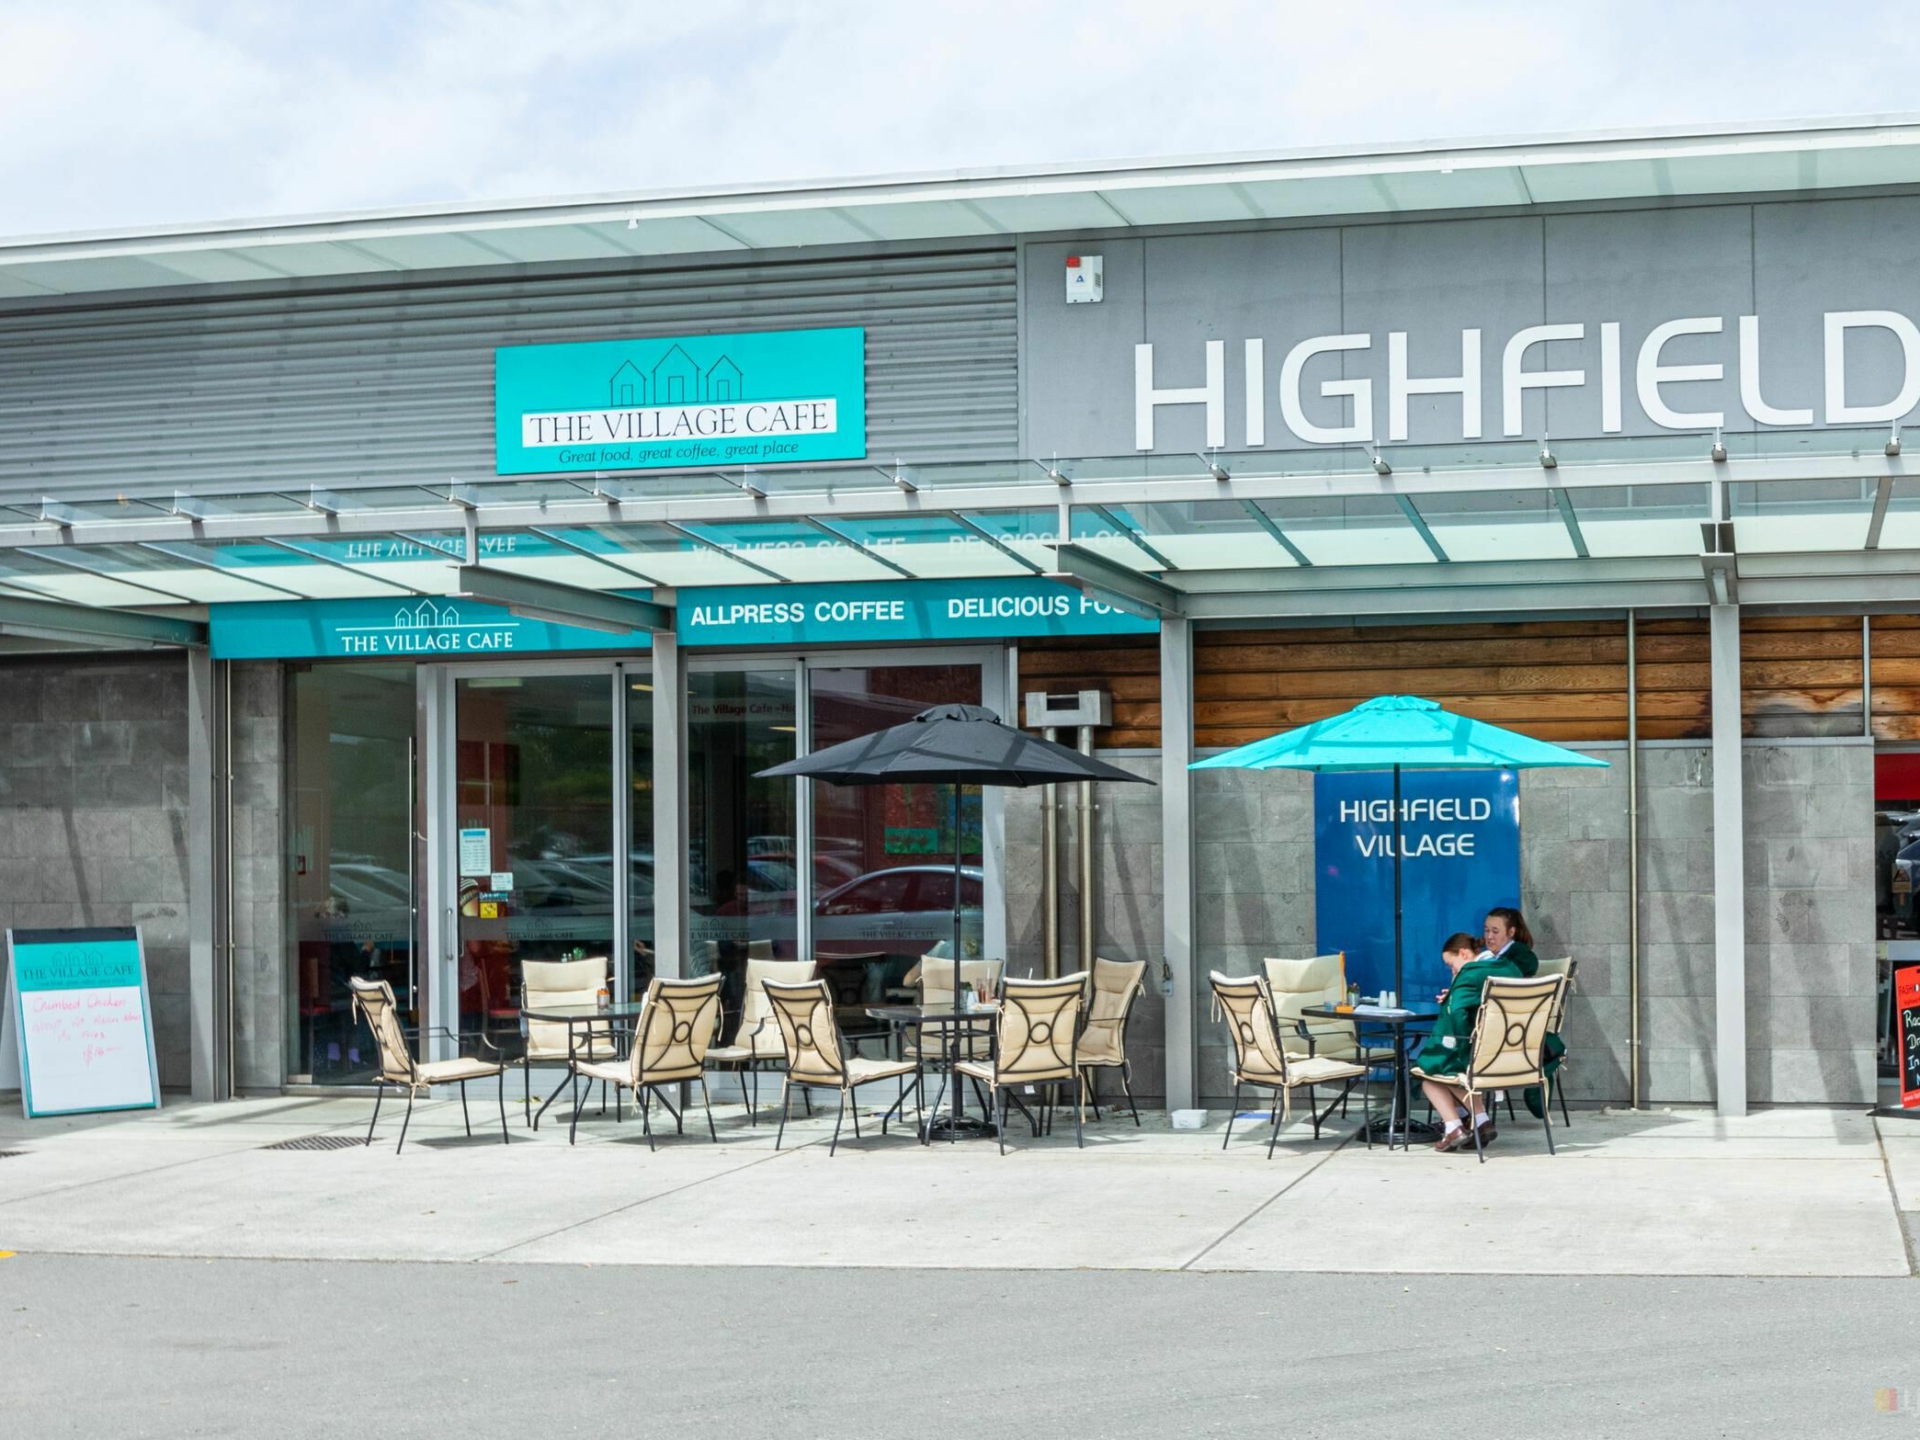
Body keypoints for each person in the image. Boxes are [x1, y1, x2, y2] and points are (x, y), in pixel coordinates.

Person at [1415, 931, 1524, 1153]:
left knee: (1429, 1072)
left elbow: (1456, 1014)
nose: (1452, 971)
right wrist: (1455, 993)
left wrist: (1455, 993)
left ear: (1463, 954)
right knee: (1445, 1069)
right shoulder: (1510, 968)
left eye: (1451, 965)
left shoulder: (1469, 975)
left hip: (1477, 1056)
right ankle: (1479, 1121)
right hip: (1510, 1054)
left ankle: (1455, 1127)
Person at [1482, 906, 1539, 978]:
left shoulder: (1520, 951)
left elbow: (1531, 964)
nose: (1489, 937)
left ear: (1511, 932)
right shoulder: (1487, 956)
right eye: (1486, 930)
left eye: (1495, 931)